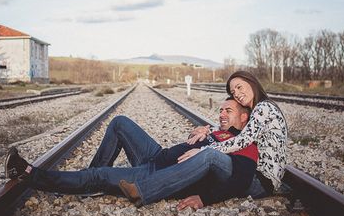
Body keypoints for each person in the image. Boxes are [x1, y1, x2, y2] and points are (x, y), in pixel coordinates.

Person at [4, 99, 263, 208]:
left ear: (244, 117)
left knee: (101, 176)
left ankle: (30, 173)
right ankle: (88, 182)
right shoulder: (216, 133)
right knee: (120, 122)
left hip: (155, 174)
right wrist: (203, 134)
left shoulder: (245, 144)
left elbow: (240, 182)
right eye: (220, 110)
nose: (221, 114)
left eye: (228, 111)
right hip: (156, 156)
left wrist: (204, 197)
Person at [118, 71, 287, 206]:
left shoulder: (264, 107)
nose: (237, 94)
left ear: (252, 83)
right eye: (233, 92)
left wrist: (203, 149)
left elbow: (242, 140)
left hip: (260, 183)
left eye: (240, 87)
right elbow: (240, 131)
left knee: (209, 156)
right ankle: (147, 179)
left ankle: (143, 190)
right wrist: (209, 130)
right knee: (206, 159)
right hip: (254, 175)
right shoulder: (259, 109)